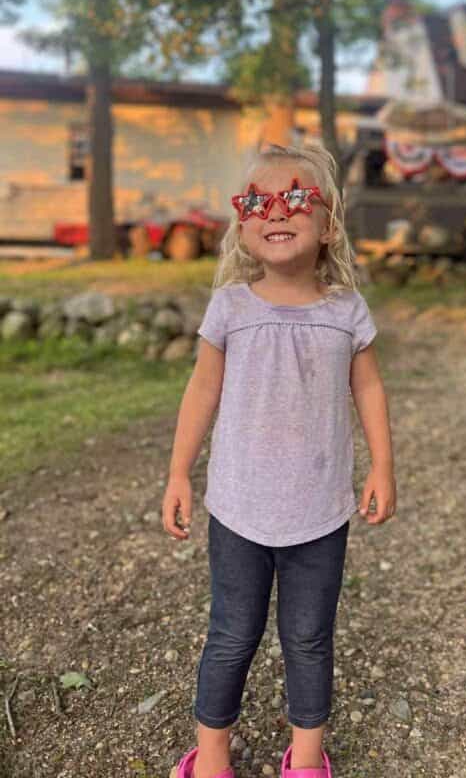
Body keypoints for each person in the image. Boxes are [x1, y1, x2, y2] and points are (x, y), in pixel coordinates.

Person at [162, 143, 396, 778]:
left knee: (310, 639)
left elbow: (368, 387)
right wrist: (179, 472)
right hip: (238, 512)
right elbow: (202, 390)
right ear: (243, 225)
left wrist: (382, 466)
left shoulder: (345, 310)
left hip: (320, 513)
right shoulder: (231, 306)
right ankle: (211, 758)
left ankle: (308, 758)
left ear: (327, 225)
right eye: (257, 201)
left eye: (295, 197)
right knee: (232, 636)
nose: (276, 211)